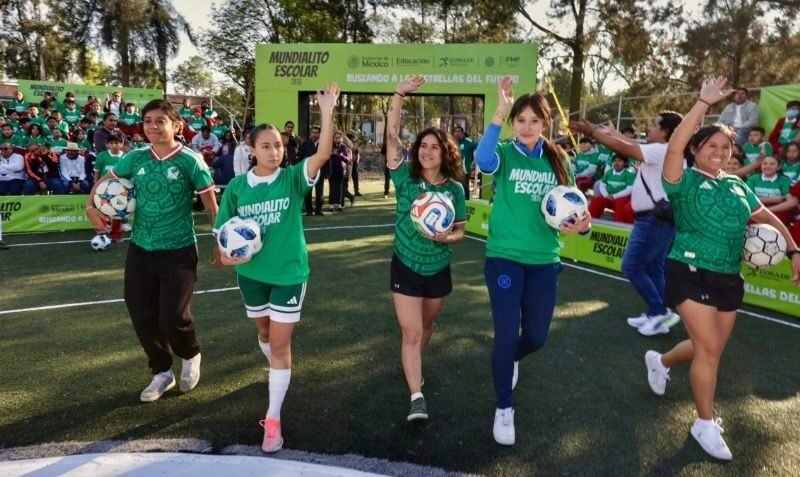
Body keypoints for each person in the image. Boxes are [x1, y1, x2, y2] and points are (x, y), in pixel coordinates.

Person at [644, 77, 800, 461]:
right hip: (688, 270)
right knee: (709, 349)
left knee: (707, 349)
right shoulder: (681, 180)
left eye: (725, 146)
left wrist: (794, 249)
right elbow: (676, 143)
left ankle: (659, 361)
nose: (719, 151)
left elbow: (762, 214)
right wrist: (702, 103)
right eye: (711, 145)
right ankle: (704, 423)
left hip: (729, 275)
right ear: (696, 150)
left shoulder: (736, 186)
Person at [213, 83, 340, 453]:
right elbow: (220, 242)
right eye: (266, 146)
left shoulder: (291, 179)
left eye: (278, 145)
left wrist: (327, 111)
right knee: (265, 335)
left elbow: (324, 153)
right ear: (251, 150)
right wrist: (227, 258)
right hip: (251, 277)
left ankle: (273, 419)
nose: (274, 151)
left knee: (281, 344)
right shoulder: (237, 188)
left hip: (288, 274)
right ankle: (276, 375)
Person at [476, 77, 591, 446]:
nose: (527, 127)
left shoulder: (559, 159)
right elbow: (481, 159)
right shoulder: (505, 153)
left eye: (534, 121)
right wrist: (499, 109)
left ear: (545, 124)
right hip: (505, 258)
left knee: (537, 338)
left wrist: (583, 228)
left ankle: (510, 361)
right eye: (520, 120)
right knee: (506, 335)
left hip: (545, 260)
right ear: (514, 123)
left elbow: (574, 210)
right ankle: (504, 408)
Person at [86, 99, 219, 403]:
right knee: (141, 313)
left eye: (161, 121)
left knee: (173, 315)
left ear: (177, 126)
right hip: (141, 248)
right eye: (148, 121)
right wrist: (89, 206)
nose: (153, 127)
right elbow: (106, 183)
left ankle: (190, 354)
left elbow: (211, 205)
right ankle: (161, 372)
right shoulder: (134, 158)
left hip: (179, 248)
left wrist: (220, 241)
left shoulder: (191, 161)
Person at [386, 76, 466, 422]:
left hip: (437, 267)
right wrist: (399, 95)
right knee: (411, 331)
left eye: (434, 147)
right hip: (404, 265)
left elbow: (460, 232)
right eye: (422, 146)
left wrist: (444, 238)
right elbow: (391, 137)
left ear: (444, 152)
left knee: (427, 326)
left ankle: (414, 365)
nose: (427, 151)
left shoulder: (455, 191)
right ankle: (416, 395)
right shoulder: (405, 179)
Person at [570, 110, 683, 337]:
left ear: (666, 132)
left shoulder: (663, 151)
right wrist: (613, 134)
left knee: (631, 266)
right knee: (653, 267)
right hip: (659, 219)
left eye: (654, 125)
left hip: (653, 220)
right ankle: (657, 312)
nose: (649, 128)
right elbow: (631, 144)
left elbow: (625, 148)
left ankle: (660, 311)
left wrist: (592, 131)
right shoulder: (664, 150)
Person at [746, 156, 796, 224]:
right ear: (761, 166)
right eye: (764, 163)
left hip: (775, 209)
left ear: (778, 167)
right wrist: (772, 199)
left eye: (772, 164)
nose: (767, 166)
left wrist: (768, 210)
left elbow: (790, 201)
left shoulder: (784, 181)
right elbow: (747, 198)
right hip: (756, 207)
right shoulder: (753, 178)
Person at [588, 154, 635, 223]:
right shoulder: (609, 173)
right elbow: (602, 185)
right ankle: (592, 222)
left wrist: (614, 196)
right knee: (596, 201)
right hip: (609, 197)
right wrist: (606, 195)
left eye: (619, 161)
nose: (616, 163)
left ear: (625, 163)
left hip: (623, 198)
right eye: (615, 161)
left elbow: (629, 190)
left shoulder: (629, 174)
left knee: (620, 204)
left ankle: (619, 227)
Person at [300, 126, 325, 216]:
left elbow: (327, 158)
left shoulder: (323, 144)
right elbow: (301, 158)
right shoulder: (305, 144)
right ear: (311, 133)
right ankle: (309, 211)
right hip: (308, 172)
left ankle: (318, 210)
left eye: (316, 133)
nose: (314, 134)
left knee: (320, 192)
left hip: (320, 172)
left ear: (319, 134)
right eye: (313, 132)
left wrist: (328, 172)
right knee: (308, 192)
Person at [327, 131, 351, 211]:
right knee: (332, 187)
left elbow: (348, 159)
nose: (337, 139)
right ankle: (331, 205)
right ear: (333, 139)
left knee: (339, 188)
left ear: (341, 138)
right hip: (331, 170)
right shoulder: (329, 146)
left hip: (340, 170)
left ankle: (339, 204)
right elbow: (325, 156)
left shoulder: (343, 147)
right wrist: (330, 153)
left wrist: (341, 155)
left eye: (339, 138)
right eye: (335, 138)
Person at [453, 125, 476, 200]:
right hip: (454, 171)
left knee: (464, 189)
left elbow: (479, 147)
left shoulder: (468, 142)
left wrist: (474, 165)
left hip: (464, 171)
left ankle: (466, 204)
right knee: (455, 188)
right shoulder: (453, 143)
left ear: (462, 133)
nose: (457, 133)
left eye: (459, 131)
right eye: (456, 131)